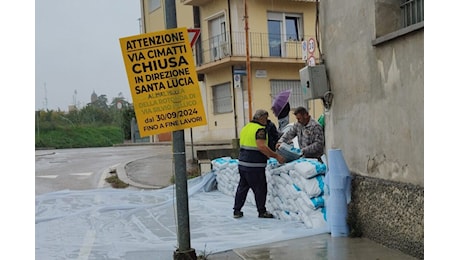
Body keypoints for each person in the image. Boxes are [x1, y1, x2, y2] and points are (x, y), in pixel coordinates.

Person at [233, 109, 285, 219]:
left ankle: (237, 210)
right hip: (254, 165)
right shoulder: (260, 130)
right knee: (260, 188)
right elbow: (261, 146)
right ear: (261, 118)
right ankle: (262, 211)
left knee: (242, 187)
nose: (267, 121)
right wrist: (276, 156)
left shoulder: (246, 127)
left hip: (242, 163)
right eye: (266, 118)